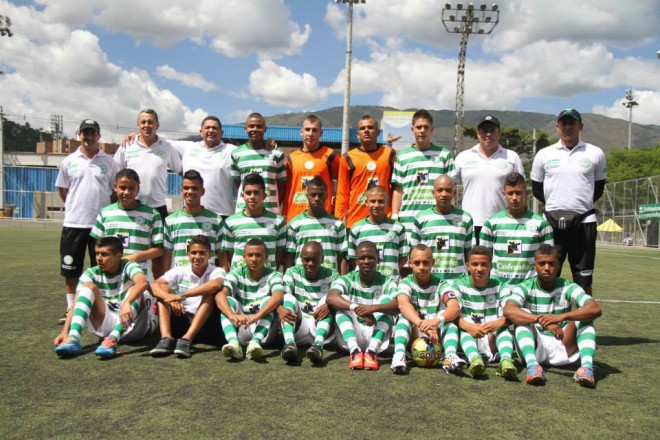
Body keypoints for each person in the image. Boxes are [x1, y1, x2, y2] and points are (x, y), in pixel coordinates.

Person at [503, 244, 602, 387]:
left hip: (563, 343)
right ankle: (533, 367)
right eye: (542, 263)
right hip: (536, 346)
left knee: (585, 318)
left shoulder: (568, 286)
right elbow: (509, 310)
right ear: (534, 265)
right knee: (522, 318)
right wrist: (541, 320)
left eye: (551, 263)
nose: (547, 268)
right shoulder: (524, 286)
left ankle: (586, 368)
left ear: (558, 265)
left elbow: (595, 309)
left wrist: (561, 317)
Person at [531, 108, 607, 295]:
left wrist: (577, 207)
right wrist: (557, 207)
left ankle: (581, 322)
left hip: (584, 222)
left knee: (583, 278)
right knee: (546, 275)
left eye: (571, 123)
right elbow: (537, 189)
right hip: (551, 223)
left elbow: (597, 188)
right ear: (557, 127)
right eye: (563, 123)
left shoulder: (595, 153)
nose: (567, 127)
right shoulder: (544, 154)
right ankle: (544, 319)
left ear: (580, 125)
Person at [56, 119, 118, 324]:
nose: (89, 137)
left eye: (92, 133)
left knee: (102, 267)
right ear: (79, 135)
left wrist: (102, 211)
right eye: (85, 133)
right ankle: (70, 309)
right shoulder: (69, 161)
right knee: (71, 270)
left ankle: (101, 308)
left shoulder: (109, 162)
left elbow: (115, 192)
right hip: (74, 224)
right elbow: (63, 190)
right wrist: (77, 206)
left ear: (99, 136)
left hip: (100, 226)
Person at [54, 236, 156, 359]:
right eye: (97, 253)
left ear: (118, 256)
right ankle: (73, 338)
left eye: (104, 254)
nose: (98, 258)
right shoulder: (92, 273)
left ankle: (112, 341)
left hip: (134, 327)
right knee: (87, 287)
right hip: (107, 324)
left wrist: (128, 302)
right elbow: (76, 303)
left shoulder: (128, 266)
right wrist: (65, 332)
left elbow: (143, 283)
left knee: (136, 289)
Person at [114, 109, 182, 279]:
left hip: (157, 209)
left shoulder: (166, 147)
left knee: (159, 256)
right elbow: (115, 174)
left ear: (157, 125)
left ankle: (158, 299)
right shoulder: (127, 146)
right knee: (128, 253)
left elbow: (181, 170)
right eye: (143, 122)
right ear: (138, 125)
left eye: (150, 122)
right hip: (131, 208)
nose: (147, 125)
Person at [445, 246, 517, 379]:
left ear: (491, 266)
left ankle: (506, 360)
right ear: (467, 266)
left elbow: (513, 311)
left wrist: (500, 322)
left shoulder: (500, 286)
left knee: (503, 329)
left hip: (492, 338)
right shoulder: (458, 285)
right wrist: (467, 326)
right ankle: (474, 360)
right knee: (464, 329)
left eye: (484, 264)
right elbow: (451, 312)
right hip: (469, 337)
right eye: (475, 264)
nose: (479, 269)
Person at [326, 241, 399, 370]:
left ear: (378, 259)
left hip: (377, 335)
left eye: (371, 257)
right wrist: (357, 308)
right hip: (353, 334)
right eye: (362, 258)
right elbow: (331, 297)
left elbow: (398, 305)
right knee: (342, 301)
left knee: (387, 300)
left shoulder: (386, 281)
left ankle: (371, 351)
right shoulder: (348, 279)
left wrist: (372, 308)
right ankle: (354, 352)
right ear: (356, 261)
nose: (366, 261)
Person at [391, 245, 463, 375]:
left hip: (436, 336)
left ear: (433, 263)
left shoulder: (442, 284)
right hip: (415, 334)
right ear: (410, 263)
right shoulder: (405, 283)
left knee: (449, 320)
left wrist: (436, 321)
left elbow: (454, 307)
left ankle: (450, 356)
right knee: (404, 318)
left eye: (425, 262)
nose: (422, 267)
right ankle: (399, 355)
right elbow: (403, 304)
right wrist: (421, 324)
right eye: (417, 263)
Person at [150, 235, 225, 358]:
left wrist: (181, 296)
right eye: (193, 253)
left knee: (210, 293)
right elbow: (154, 284)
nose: (197, 257)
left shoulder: (217, 270)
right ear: (188, 254)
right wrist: (169, 297)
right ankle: (166, 339)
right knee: (163, 288)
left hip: (207, 324)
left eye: (202, 253)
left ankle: (187, 339)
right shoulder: (180, 270)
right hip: (182, 318)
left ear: (210, 255)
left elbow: (216, 284)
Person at [453, 115, 524, 243]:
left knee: (501, 262)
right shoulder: (463, 157)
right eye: (484, 130)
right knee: (472, 263)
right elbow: (449, 186)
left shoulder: (512, 157)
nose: (488, 134)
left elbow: (521, 190)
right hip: (470, 223)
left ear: (499, 133)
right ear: (478, 133)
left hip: (502, 223)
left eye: (492, 130)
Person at [216, 238, 285, 361]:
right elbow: (219, 295)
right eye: (250, 255)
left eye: (258, 255)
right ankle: (233, 343)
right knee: (227, 301)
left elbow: (278, 296)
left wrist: (256, 316)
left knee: (268, 300)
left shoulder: (274, 275)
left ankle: (255, 342)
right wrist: (232, 315)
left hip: (264, 330)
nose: (254, 259)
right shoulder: (236, 273)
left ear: (266, 256)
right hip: (242, 325)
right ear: (244, 257)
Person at [479, 172, 554, 285]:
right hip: (499, 289)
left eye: (518, 193)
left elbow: (548, 260)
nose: (514, 198)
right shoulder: (491, 223)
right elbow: (483, 259)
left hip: (529, 290)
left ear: (527, 193)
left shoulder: (541, 224)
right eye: (510, 193)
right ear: (504, 194)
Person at [90, 168, 164, 279]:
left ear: (138, 189)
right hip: (111, 276)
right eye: (122, 188)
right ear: (115, 187)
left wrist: (136, 257)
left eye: (131, 188)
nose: (126, 192)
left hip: (139, 275)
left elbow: (159, 250)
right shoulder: (105, 213)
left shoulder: (152, 214)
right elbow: (98, 246)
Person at [391, 109, 454, 233]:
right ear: (412, 130)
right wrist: (395, 215)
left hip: (437, 219)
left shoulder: (444, 155)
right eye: (418, 127)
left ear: (432, 129)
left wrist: (450, 214)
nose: (422, 131)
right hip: (408, 220)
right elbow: (398, 189)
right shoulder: (402, 156)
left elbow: (451, 189)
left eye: (426, 127)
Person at [278, 241, 339, 364]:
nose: (310, 264)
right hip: (300, 326)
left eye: (314, 260)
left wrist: (329, 305)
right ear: (300, 259)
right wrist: (279, 308)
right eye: (306, 260)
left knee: (327, 300)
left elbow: (342, 297)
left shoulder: (332, 275)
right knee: (288, 297)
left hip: (322, 327)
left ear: (322, 259)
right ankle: (290, 344)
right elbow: (281, 297)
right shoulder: (292, 272)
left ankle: (318, 346)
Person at [335, 115, 396, 230]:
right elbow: (342, 193)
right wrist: (338, 220)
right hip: (355, 222)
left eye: (370, 127)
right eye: (362, 128)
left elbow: (395, 188)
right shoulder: (348, 157)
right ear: (358, 134)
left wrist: (395, 213)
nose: (366, 131)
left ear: (378, 132)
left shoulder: (389, 154)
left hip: (385, 220)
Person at [170, 116, 238, 217]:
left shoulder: (231, 151)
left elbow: (251, 153)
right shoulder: (189, 148)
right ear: (201, 132)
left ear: (221, 133)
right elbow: (161, 142)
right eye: (207, 127)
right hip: (192, 215)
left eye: (215, 128)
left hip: (221, 214)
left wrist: (268, 147)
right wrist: (137, 137)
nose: (211, 130)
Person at [410, 175, 473, 279]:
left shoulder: (465, 218)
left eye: (448, 190)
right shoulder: (421, 218)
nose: (444, 194)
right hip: (430, 281)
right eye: (440, 190)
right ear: (433, 193)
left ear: (454, 193)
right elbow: (413, 252)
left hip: (458, 280)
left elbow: (469, 252)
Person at [221, 173, 286, 271]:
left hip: (267, 281)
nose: (252, 196)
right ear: (243, 196)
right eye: (248, 193)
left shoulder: (278, 221)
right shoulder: (231, 222)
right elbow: (229, 253)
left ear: (264, 195)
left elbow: (280, 253)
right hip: (240, 281)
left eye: (256, 193)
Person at [283, 115, 340, 223]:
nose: (310, 133)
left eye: (314, 130)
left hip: (322, 218)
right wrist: (285, 213)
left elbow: (342, 184)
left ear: (321, 133)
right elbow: (287, 190)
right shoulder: (291, 158)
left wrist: (335, 205)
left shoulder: (331, 156)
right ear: (301, 132)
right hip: (296, 216)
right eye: (307, 129)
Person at [284, 176, 347, 273]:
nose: (317, 198)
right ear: (307, 196)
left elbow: (342, 258)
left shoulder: (338, 225)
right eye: (313, 195)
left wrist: (343, 283)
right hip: (301, 283)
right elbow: (289, 258)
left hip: (329, 281)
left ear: (327, 195)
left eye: (320, 195)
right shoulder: (294, 224)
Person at [163, 170, 223, 270]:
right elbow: (167, 255)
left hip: (207, 281)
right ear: (181, 191)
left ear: (202, 191)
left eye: (195, 188)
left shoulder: (215, 220)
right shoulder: (170, 221)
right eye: (186, 188)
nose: (190, 192)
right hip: (180, 281)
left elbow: (222, 255)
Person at [348, 185, 409, 280]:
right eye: (373, 201)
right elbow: (352, 258)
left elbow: (404, 257)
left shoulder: (398, 228)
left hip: (391, 283)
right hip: (365, 284)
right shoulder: (357, 228)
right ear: (366, 203)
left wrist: (393, 271)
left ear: (387, 203)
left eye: (381, 201)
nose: (376, 205)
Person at [231, 113, 286, 214]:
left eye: (259, 126)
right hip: (244, 211)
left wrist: (275, 205)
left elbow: (281, 185)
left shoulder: (277, 153)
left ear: (265, 129)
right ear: (245, 129)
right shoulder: (236, 154)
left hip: (271, 212)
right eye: (251, 126)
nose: (255, 129)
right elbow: (239, 182)